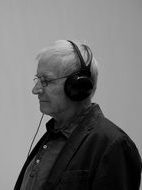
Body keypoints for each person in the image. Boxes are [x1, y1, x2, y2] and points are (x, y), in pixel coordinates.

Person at [14, 40, 142, 190]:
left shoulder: (113, 145)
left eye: (46, 81)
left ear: (78, 86)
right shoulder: (52, 135)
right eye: (38, 80)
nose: (35, 90)